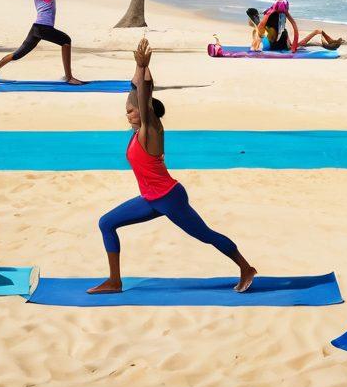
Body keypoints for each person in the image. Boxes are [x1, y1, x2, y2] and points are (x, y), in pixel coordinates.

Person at [88, 38, 257, 294]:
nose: (128, 114)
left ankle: (246, 268)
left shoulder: (151, 130)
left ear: (146, 113)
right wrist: (140, 68)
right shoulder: (136, 134)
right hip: (150, 198)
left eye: (132, 111)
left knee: (206, 235)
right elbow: (136, 90)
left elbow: (144, 97)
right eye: (127, 110)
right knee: (106, 223)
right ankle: (114, 281)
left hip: (169, 198)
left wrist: (144, 69)